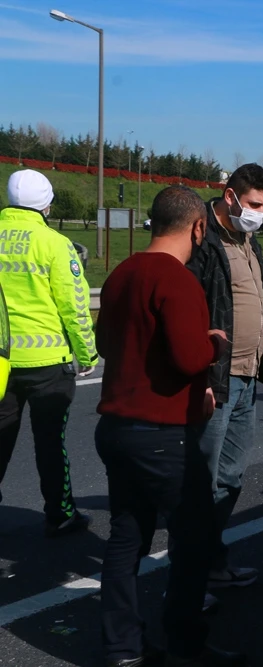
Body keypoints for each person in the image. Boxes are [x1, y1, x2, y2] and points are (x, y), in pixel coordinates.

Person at [95, 185, 246, 667]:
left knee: (126, 538)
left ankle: (123, 647)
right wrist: (215, 344)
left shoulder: (123, 273)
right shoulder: (178, 280)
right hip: (161, 434)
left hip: (115, 427)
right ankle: (186, 643)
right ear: (198, 227)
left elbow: (107, 342)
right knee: (197, 537)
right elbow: (188, 356)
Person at [177, 163, 263, 604]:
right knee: (201, 482)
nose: (258, 213)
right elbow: (191, 308)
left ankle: (211, 564)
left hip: (248, 376)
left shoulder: (247, 239)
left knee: (231, 478)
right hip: (216, 379)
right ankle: (189, 582)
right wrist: (202, 375)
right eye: (253, 204)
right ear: (230, 196)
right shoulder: (204, 241)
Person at [0, 169, 98, 537]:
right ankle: (60, 513)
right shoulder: (55, 243)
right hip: (47, 366)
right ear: (47, 203)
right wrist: (87, 354)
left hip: (0, 363)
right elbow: (74, 306)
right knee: (49, 444)